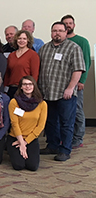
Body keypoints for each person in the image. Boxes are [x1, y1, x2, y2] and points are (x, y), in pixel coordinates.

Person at [38, 21, 85, 162]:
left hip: (65, 94)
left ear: (66, 32)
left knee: (66, 123)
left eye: (60, 30)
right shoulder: (44, 48)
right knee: (51, 122)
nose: (57, 33)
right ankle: (52, 145)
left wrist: (70, 88)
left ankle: (65, 149)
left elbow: (78, 70)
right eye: (54, 30)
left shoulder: (74, 48)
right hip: (47, 93)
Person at [61, 14, 91, 150]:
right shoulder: (60, 41)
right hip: (61, 84)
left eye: (70, 23)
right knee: (64, 112)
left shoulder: (82, 41)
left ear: (74, 25)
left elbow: (86, 62)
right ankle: (66, 137)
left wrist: (81, 81)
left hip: (76, 83)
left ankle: (78, 138)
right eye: (65, 23)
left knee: (77, 110)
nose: (68, 25)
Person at [7, 76, 47, 171]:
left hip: (31, 138)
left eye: (30, 84)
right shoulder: (14, 102)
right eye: (24, 84)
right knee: (18, 166)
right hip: (15, 137)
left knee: (32, 167)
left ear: (34, 86)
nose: (27, 86)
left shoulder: (42, 104)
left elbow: (41, 126)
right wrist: (21, 141)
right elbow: (14, 124)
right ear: (21, 87)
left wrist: (25, 143)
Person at [4, 30, 40, 98]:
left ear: (28, 40)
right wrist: (5, 89)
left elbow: (35, 75)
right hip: (12, 89)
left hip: (25, 89)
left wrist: (31, 90)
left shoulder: (33, 55)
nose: (21, 40)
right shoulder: (11, 55)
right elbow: (7, 74)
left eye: (24, 39)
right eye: (19, 38)